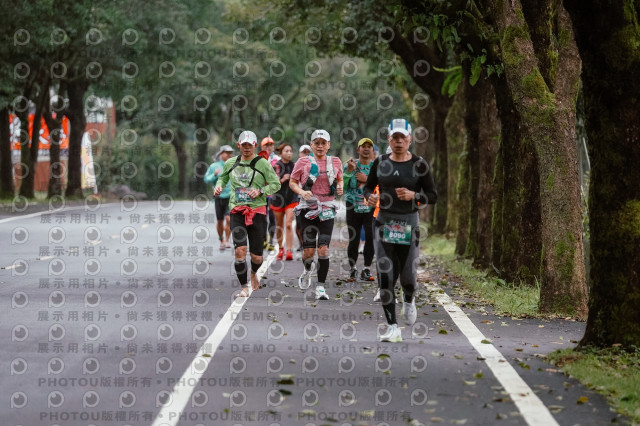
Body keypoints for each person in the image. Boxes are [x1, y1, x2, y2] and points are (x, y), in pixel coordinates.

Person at [364, 119, 437, 342]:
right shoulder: (380, 162)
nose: (398, 141)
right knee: (385, 275)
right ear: (389, 139)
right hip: (383, 223)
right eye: (394, 137)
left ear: (409, 139)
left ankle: (409, 298)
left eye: (402, 137)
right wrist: (370, 197)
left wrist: (415, 195)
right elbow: (368, 187)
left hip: (408, 225)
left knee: (408, 278)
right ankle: (392, 327)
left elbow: (432, 195)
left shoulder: (419, 164)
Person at [214, 131, 281, 297]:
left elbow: (276, 184)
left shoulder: (263, 164)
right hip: (237, 211)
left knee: (257, 258)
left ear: (255, 146)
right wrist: (219, 186)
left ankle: (253, 273)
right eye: (243, 145)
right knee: (240, 251)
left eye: (249, 145)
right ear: (238, 145)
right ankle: (244, 287)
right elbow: (222, 178)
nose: (246, 148)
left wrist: (260, 191)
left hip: (258, 212)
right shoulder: (231, 163)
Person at [290, 130, 343, 300]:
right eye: (317, 143)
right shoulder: (302, 161)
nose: (320, 146)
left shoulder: (335, 161)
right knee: (308, 253)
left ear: (329, 145)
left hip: (327, 209)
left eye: (323, 143)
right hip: (307, 210)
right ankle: (307, 270)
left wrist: (340, 186)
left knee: (323, 249)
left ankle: (320, 287)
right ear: (311, 144)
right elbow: (292, 182)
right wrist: (301, 192)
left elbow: (340, 179)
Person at [344, 138, 376, 282]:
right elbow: (343, 186)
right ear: (358, 150)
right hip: (352, 205)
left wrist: (366, 179)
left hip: (371, 206)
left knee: (370, 237)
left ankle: (366, 269)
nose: (366, 148)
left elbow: (381, 185)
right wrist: (349, 172)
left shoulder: (376, 166)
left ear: (372, 150)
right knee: (354, 238)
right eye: (363, 146)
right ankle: (353, 269)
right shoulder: (350, 165)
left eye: (369, 146)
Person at [271, 143, 298, 261]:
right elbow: (272, 184)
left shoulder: (294, 166)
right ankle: (281, 248)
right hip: (278, 199)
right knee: (279, 226)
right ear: (281, 153)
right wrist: (282, 180)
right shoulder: (276, 166)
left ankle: (289, 250)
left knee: (288, 224)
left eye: (290, 151)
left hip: (291, 198)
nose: (289, 153)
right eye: (286, 151)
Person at [204, 145, 234, 251]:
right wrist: (214, 175)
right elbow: (206, 179)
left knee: (229, 219)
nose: (229, 155)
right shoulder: (214, 166)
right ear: (221, 154)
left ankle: (227, 240)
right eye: (227, 153)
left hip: (230, 196)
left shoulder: (234, 165)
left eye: (231, 153)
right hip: (218, 197)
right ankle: (221, 240)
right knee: (220, 221)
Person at [261, 136, 278, 252]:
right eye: (266, 145)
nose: (268, 147)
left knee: (272, 217)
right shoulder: (258, 158)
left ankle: (271, 240)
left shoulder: (277, 159)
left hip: (273, 193)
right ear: (262, 147)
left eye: (271, 145)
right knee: (261, 217)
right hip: (260, 193)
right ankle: (263, 239)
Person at [294, 144, 312, 252]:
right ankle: (301, 243)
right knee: (299, 223)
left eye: (308, 152)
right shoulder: (296, 166)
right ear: (299, 154)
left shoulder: (315, 166)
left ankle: (309, 243)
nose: (306, 155)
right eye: (303, 152)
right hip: (298, 198)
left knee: (310, 221)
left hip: (312, 199)